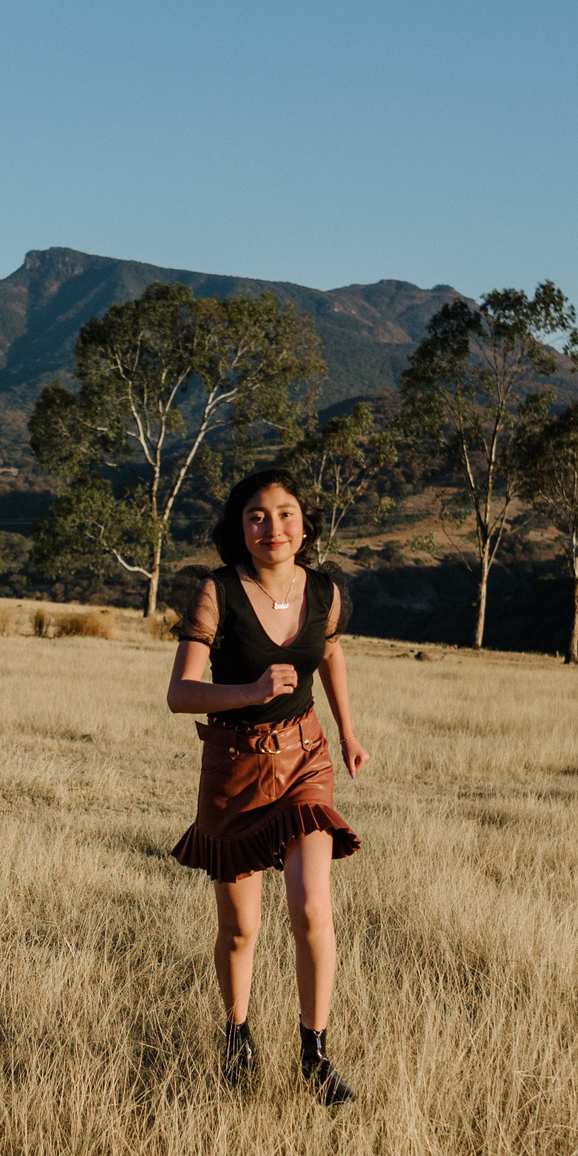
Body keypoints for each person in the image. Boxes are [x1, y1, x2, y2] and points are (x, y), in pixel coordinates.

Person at [168, 468, 369, 1105]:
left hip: (305, 761)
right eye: (257, 515)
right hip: (235, 771)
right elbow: (180, 693)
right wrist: (250, 692)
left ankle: (314, 1052)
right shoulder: (218, 592)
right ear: (240, 528)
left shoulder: (327, 591)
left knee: (311, 908)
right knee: (240, 931)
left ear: (304, 524)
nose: (272, 527)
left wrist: (347, 731)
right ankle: (237, 1035)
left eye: (285, 514)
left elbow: (330, 651)